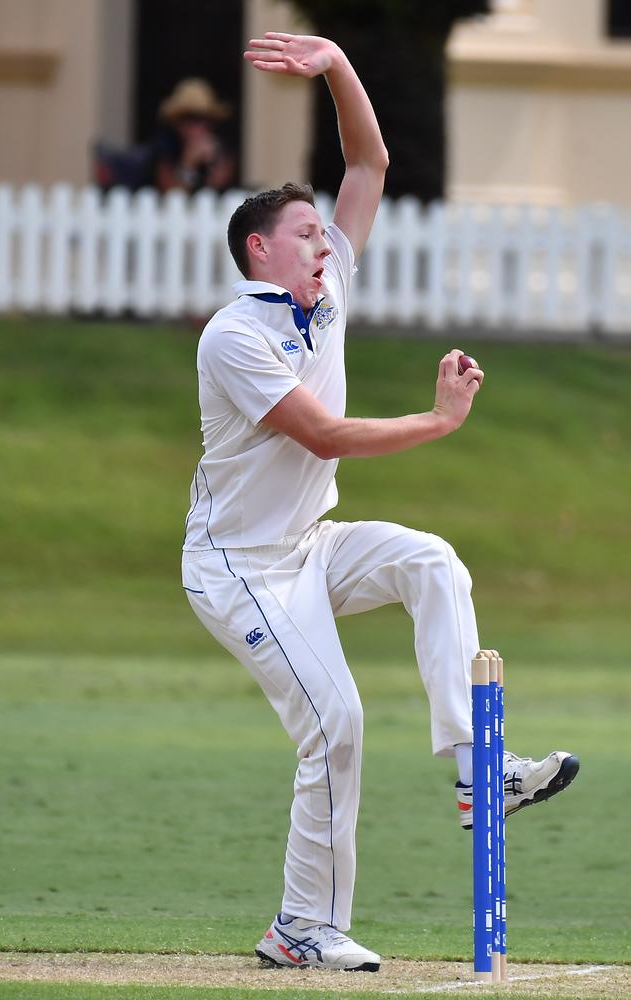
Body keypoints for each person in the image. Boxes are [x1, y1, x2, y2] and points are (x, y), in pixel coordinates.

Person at [181, 31, 579, 973]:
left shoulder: (326, 296)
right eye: (307, 233)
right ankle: (301, 927)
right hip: (239, 566)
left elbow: (369, 158)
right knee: (337, 721)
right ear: (258, 250)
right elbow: (323, 435)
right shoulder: (234, 338)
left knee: (432, 560)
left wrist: (335, 64)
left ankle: (482, 773)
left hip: (309, 543)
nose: (327, 241)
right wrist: (439, 423)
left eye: (327, 232)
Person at [152, 78, 234, 194]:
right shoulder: (166, 145)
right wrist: (188, 164)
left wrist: (213, 163)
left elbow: (219, 186)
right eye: (187, 118)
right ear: (176, 123)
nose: (194, 126)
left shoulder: (221, 146)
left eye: (201, 118)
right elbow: (171, 193)